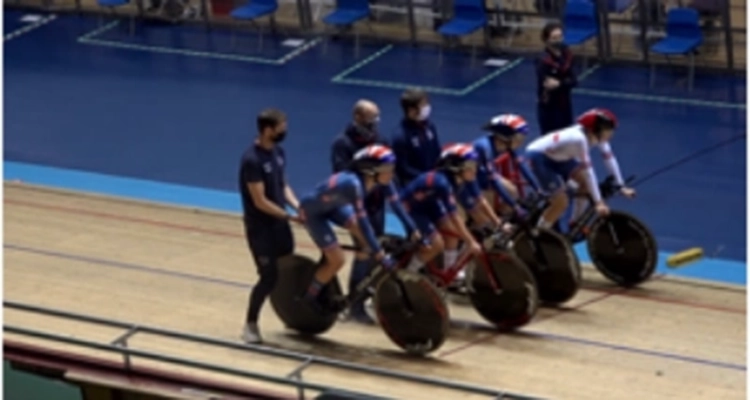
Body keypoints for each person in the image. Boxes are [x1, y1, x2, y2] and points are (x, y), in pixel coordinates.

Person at [299, 145, 402, 313]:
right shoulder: (353, 184)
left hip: (333, 206)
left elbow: (395, 206)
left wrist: (373, 248)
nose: (391, 173)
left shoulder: (374, 181)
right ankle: (309, 297)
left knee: (365, 242)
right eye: (387, 169)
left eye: (392, 168)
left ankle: (356, 295)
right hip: (313, 213)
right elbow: (363, 221)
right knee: (338, 259)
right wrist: (380, 254)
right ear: (371, 171)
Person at [239, 109, 301, 345]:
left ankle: (291, 316)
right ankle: (250, 324)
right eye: (281, 126)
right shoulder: (252, 160)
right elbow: (260, 200)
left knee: (287, 270)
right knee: (268, 277)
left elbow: (282, 184)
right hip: (261, 229)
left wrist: (297, 205)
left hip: (280, 225)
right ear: (268, 129)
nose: (285, 130)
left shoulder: (278, 152)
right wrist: (288, 216)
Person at [329, 100, 392, 322]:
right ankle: (355, 306)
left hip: (376, 206)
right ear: (357, 117)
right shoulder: (342, 143)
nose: (375, 123)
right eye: (370, 119)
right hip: (355, 208)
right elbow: (341, 175)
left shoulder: (381, 140)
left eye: (377, 118)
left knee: (377, 251)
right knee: (364, 252)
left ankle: (368, 295)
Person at [524, 108, 636, 231]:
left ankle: (576, 224)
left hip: (560, 156)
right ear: (596, 129)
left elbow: (609, 159)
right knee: (561, 202)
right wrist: (598, 202)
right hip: (539, 158)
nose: (611, 133)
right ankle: (539, 234)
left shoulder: (596, 136)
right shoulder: (579, 139)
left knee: (585, 185)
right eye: (608, 130)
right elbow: (589, 172)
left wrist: (621, 186)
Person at [399, 144, 484, 279]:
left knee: (453, 233)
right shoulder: (443, 183)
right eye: (470, 166)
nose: (475, 170)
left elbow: (471, 204)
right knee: (436, 244)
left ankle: (449, 272)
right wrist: (471, 242)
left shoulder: (458, 180)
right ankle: (408, 273)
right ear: (457, 168)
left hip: (429, 203)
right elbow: (454, 216)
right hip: (411, 207)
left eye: (475, 165)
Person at [483, 114, 544, 212]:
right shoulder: (485, 148)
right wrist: (515, 207)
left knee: (512, 191)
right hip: (478, 177)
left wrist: (538, 188)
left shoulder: (509, 144)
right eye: (519, 138)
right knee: (487, 211)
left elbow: (522, 165)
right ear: (505, 135)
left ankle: (502, 217)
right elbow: (491, 179)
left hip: (487, 174)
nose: (521, 142)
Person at [391, 88, 442, 186]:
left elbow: (437, 152)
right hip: (414, 185)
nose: (427, 107)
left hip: (433, 180)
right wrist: (426, 179)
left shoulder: (429, 126)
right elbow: (403, 168)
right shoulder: (400, 136)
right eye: (423, 105)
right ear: (411, 110)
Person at [536, 22, 578, 135]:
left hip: (565, 105)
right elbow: (549, 84)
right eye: (554, 38)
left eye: (560, 37)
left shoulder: (568, 55)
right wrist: (565, 82)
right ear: (546, 40)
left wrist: (560, 83)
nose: (558, 41)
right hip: (549, 107)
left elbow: (574, 81)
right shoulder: (543, 60)